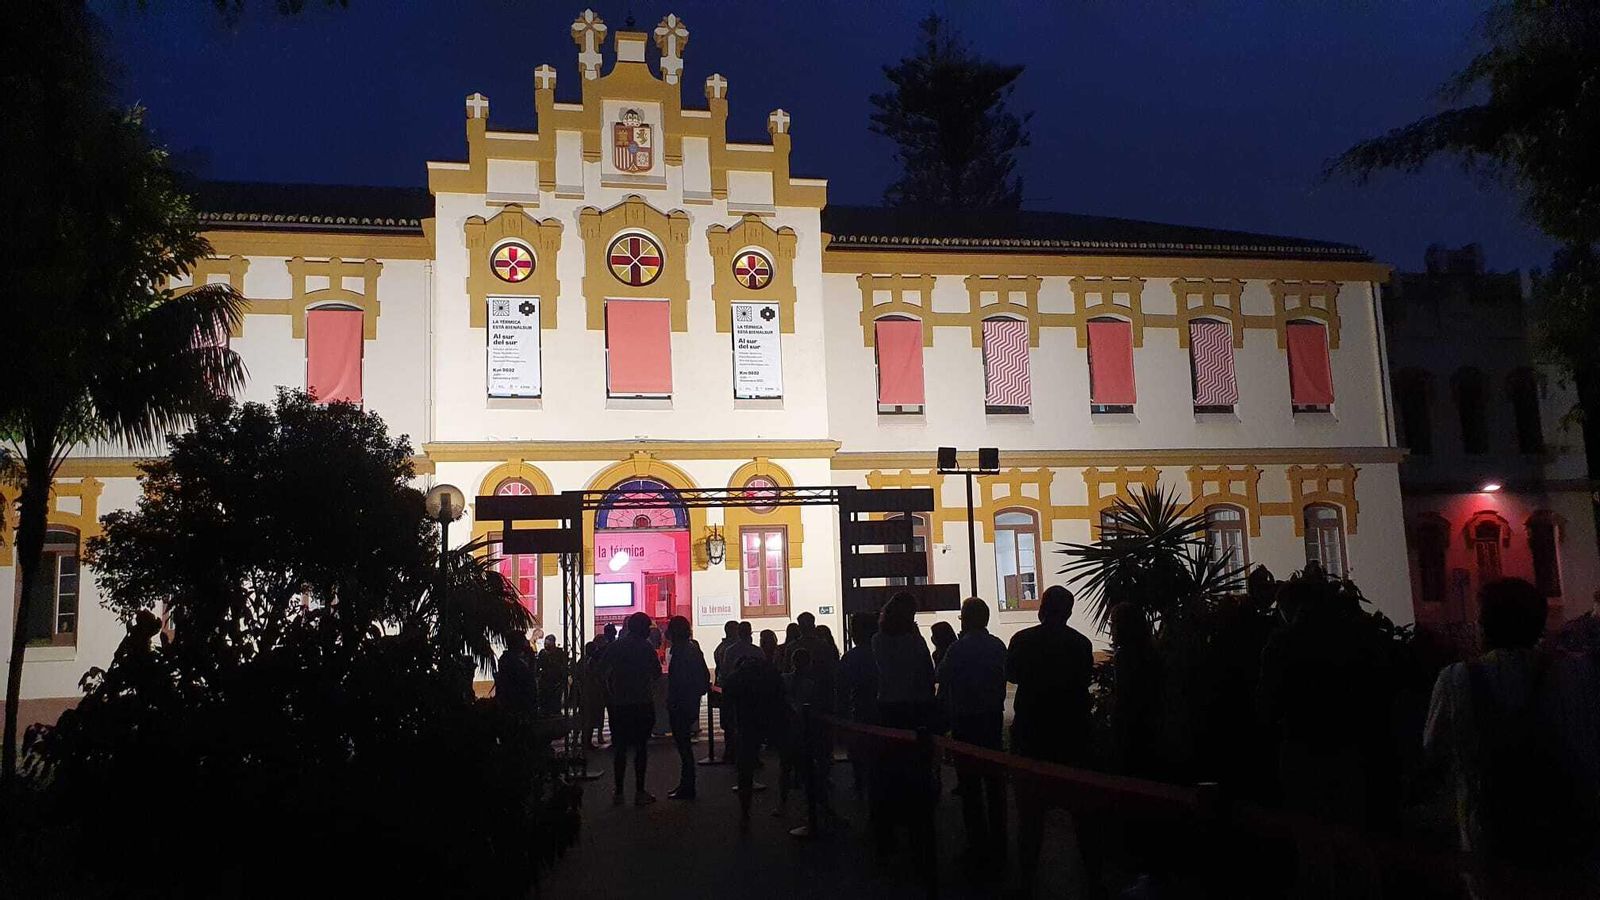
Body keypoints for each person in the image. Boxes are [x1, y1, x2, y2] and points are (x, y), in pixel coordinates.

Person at [1425, 578, 1600, 894]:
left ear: (1486, 625)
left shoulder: (1457, 680)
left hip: (1492, 849)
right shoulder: (1577, 673)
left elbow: (1433, 753)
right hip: (1570, 844)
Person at [1006, 585, 1093, 894]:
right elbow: (1084, 680)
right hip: (1071, 733)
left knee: (1030, 819)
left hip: (1032, 733)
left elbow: (1012, 675)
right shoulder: (1081, 644)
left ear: (1042, 608)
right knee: (1082, 815)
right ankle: (1092, 878)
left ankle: (1027, 881)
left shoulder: (1023, 640)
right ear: (1068, 611)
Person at [936, 598, 1008, 862]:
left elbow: (940, 676)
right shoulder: (998, 645)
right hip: (991, 716)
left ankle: (977, 842)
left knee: (970, 784)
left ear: (966, 619)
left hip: (965, 718)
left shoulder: (957, 649)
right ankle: (1000, 839)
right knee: (993, 782)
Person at [871, 592, 935, 854]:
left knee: (888, 769)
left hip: (887, 708)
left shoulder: (877, 641)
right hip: (914, 709)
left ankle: (887, 828)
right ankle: (916, 826)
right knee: (913, 769)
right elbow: (928, 676)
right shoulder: (915, 644)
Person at [721, 650, 786, 826]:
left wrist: (730, 726)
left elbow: (727, 704)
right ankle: (783, 803)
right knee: (786, 763)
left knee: (745, 769)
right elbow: (782, 696)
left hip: (746, 725)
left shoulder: (735, 678)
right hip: (772, 720)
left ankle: (745, 812)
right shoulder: (769, 674)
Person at [605, 612, 662, 806]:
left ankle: (619, 791)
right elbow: (656, 673)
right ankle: (639, 791)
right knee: (640, 748)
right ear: (642, 628)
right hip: (642, 702)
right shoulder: (646, 648)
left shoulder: (616, 646)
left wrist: (611, 690)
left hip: (620, 703)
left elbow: (600, 671)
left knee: (619, 748)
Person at [665, 616, 709, 800]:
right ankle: (686, 784)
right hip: (689, 702)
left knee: (684, 747)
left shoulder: (682, 652)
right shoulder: (692, 649)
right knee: (685, 747)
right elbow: (704, 675)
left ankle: (687, 786)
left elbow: (679, 680)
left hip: (681, 702)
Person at [836, 611, 879, 799]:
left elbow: (842, 687)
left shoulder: (851, 657)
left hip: (859, 710)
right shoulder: (882, 653)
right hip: (881, 709)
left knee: (859, 752)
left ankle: (861, 785)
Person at [494, 631, 539, 718]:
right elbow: (526, 680)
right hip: (516, 707)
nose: (526, 641)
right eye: (523, 639)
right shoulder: (511, 661)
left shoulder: (510, 659)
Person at [537, 635, 568, 718]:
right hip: (545, 682)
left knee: (555, 703)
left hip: (556, 682)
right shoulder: (542, 653)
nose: (546, 645)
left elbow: (563, 666)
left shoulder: (559, 653)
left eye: (548, 643)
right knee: (545, 703)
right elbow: (539, 665)